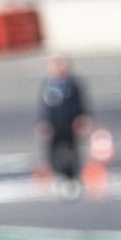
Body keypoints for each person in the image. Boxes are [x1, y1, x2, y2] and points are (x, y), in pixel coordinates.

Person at [36, 54, 89, 193]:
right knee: (53, 151)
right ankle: (58, 175)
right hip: (54, 124)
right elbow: (44, 106)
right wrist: (43, 122)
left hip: (69, 123)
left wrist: (81, 118)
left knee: (72, 150)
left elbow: (80, 103)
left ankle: (73, 177)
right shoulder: (48, 84)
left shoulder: (72, 84)